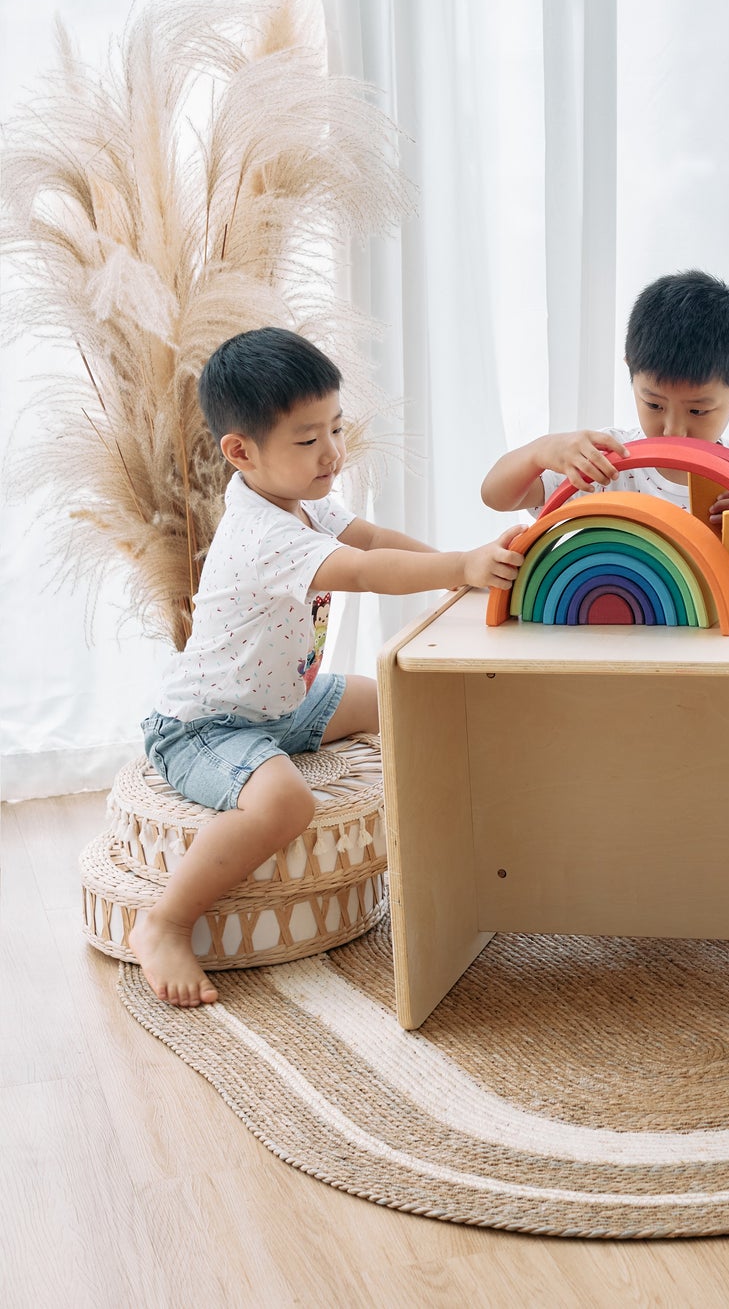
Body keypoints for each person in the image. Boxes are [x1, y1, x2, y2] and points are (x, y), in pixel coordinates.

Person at [131, 327, 524, 1009]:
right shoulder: (263, 533)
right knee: (287, 803)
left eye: (337, 427)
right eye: (308, 439)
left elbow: (368, 537)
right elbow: (367, 569)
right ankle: (165, 920)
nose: (333, 452)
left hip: (285, 703)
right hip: (206, 725)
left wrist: (457, 569)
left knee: (404, 698)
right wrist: (459, 567)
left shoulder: (298, 495)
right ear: (241, 451)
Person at [481, 268, 729, 521]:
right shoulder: (603, 463)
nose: (673, 430)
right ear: (630, 373)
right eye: (653, 404)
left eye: (697, 411)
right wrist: (540, 450)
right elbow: (496, 496)